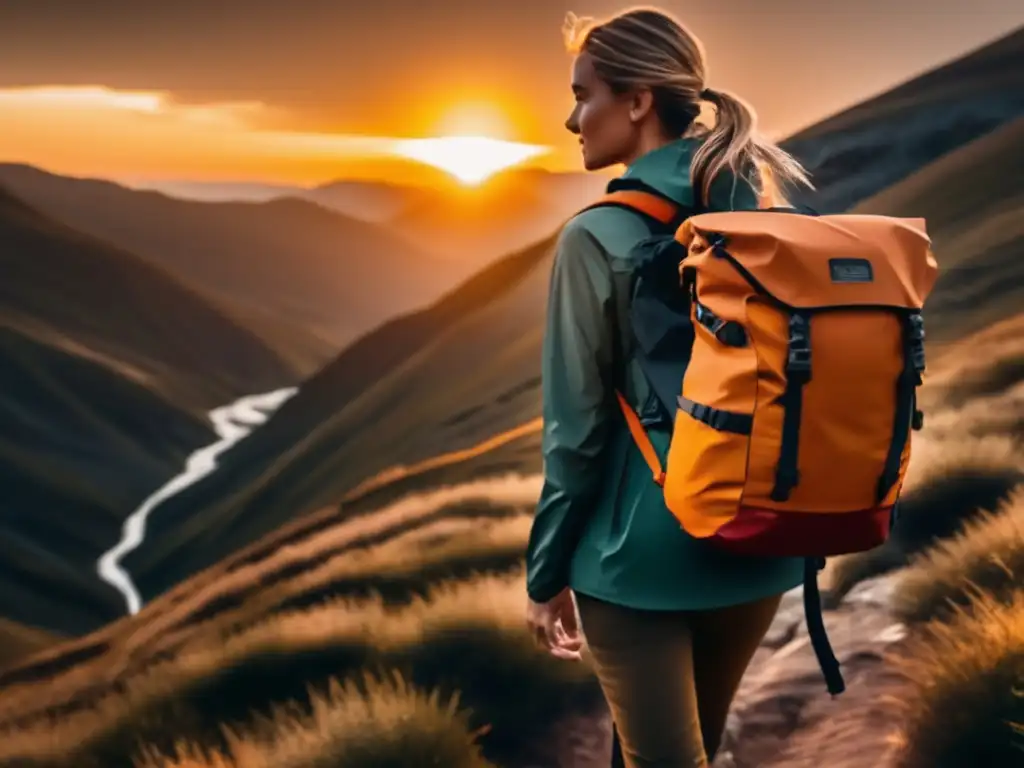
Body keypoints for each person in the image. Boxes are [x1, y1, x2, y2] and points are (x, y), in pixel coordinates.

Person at [524, 7, 815, 767]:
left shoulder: (598, 235)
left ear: (638, 100)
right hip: (761, 540)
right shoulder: (762, 213)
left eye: (583, 93)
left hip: (638, 559)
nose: (570, 117)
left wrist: (547, 572)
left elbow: (577, 430)